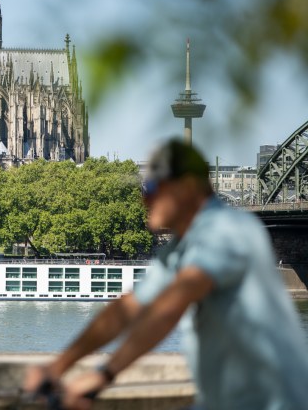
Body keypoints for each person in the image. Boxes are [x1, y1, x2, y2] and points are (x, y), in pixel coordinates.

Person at [24, 139, 308, 410]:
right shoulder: (181, 247)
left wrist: (104, 373)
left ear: (186, 189)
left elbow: (169, 308)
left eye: (150, 188)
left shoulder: (227, 230)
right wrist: (58, 367)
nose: (143, 199)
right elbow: (128, 307)